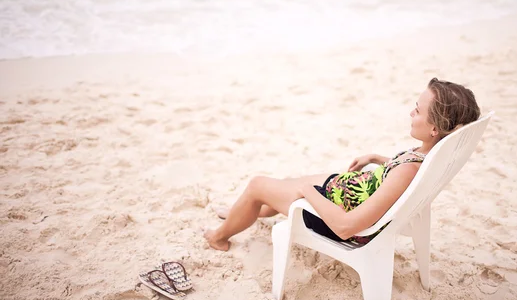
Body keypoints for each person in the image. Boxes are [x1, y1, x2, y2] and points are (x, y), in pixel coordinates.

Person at [204, 78, 481, 251]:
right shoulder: (426, 157)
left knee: (258, 185)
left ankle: (218, 237)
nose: (411, 112)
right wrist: (375, 158)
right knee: (281, 187)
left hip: (336, 218)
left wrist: (307, 190)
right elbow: (401, 171)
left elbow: (347, 228)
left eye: (418, 111)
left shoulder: (410, 171)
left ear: (435, 129)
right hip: (346, 194)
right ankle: (240, 212)